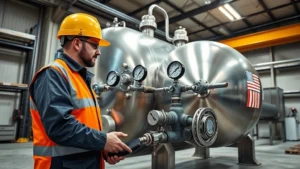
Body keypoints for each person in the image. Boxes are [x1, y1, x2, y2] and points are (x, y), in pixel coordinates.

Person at [29, 13, 132, 169]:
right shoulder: (52, 74)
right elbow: (60, 127)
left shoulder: (80, 77)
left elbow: (83, 124)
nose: (99, 52)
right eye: (95, 45)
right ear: (77, 43)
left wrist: (101, 148)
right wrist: (103, 140)